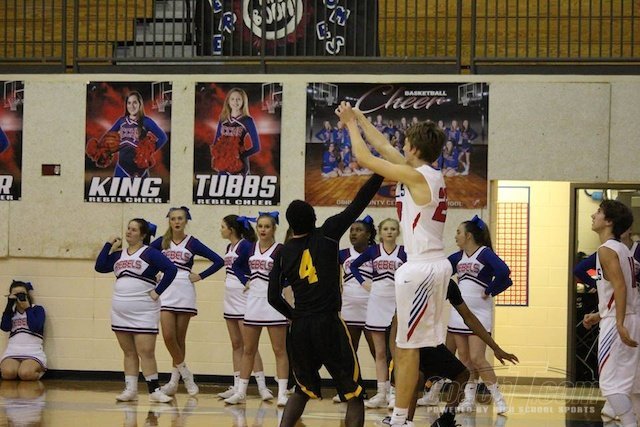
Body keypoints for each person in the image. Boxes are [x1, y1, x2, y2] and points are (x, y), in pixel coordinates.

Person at [336, 102, 452, 427]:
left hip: (423, 268)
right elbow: (384, 147)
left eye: (406, 143)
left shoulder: (417, 176)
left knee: (408, 347)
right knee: (403, 345)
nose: (401, 146)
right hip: (424, 266)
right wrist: (360, 118)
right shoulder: (422, 173)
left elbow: (365, 158)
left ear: (413, 148)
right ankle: (400, 416)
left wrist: (349, 125)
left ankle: (402, 419)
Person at [268, 173, 384, 427]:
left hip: (300, 328)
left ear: (291, 225)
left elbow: (272, 297)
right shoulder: (329, 233)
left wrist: (293, 315)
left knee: (302, 390)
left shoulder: (283, 252)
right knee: (354, 394)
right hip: (328, 323)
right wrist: (380, 172)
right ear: (314, 219)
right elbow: (358, 203)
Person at [381, 279, 519, 427]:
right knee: (415, 378)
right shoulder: (413, 280)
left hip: (430, 341)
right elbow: (396, 323)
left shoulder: (447, 284)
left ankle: (446, 419)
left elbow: (468, 317)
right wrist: (397, 359)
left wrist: (495, 347)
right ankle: (403, 421)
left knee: (462, 374)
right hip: (406, 342)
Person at [94, 218, 178, 403]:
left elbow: (171, 270)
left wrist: (158, 291)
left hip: (143, 311)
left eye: (133, 230)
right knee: (128, 352)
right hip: (120, 311)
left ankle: (154, 391)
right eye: (128, 229)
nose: (129, 232)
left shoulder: (150, 253)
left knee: (146, 351)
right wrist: (108, 244)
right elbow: (100, 266)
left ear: (143, 234)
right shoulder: (119, 255)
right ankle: (130, 389)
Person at [150, 206, 224, 397]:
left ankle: (173, 382)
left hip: (184, 290)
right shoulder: (162, 242)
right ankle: (186, 375)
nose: (176, 222)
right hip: (166, 290)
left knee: (179, 339)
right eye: (173, 218)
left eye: (180, 218)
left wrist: (200, 276)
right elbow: (145, 257)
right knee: (168, 336)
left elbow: (218, 261)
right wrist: (154, 273)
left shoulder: (192, 242)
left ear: (185, 221)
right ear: (169, 221)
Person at [443, 216, 512, 414]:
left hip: (479, 312)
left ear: (469, 235)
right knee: (464, 358)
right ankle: (469, 399)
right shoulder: (457, 257)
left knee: (477, 357)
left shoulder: (484, 253)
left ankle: (499, 399)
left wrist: (490, 289)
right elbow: (441, 271)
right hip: (460, 313)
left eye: (458, 232)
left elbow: (504, 271)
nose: (456, 236)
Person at [582, 200, 639, 427]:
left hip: (620, 322)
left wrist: (618, 322)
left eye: (598, 212)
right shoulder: (623, 249)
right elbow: (621, 291)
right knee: (627, 384)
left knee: (610, 384)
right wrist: (600, 314)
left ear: (609, 221)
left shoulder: (606, 249)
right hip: (630, 316)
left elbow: (620, 287)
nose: (593, 215)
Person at [224, 212, 290, 407]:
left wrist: (282, 290)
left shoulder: (281, 249)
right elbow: (236, 266)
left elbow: (290, 274)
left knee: (279, 350)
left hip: (274, 304)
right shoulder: (250, 247)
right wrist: (246, 280)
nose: (263, 230)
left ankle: (283, 393)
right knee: (249, 349)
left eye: (267, 226)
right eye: (260, 226)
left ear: (274, 229)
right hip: (253, 303)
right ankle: (241, 392)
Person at [350, 218, 406, 409]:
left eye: (393, 229)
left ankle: (394, 393)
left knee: (396, 352)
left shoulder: (404, 252)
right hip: (377, 302)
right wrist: (363, 282)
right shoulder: (373, 251)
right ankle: (381, 393)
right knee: (380, 352)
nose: (389, 232)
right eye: (386, 229)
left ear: (397, 232)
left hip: (396, 303)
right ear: (380, 232)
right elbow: (354, 266)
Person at [218, 214, 271, 401]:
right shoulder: (229, 247)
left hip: (243, 298)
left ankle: (263, 387)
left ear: (232, 229)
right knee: (236, 344)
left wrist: (245, 281)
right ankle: (237, 386)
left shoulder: (247, 245)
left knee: (250, 345)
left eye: (223, 226)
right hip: (230, 299)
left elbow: (246, 268)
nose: (221, 230)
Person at [85, 91, 168, 178]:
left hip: (141, 168)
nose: (132, 106)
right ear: (126, 105)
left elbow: (163, 137)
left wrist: (149, 151)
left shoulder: (146, 121)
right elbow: (108, 135)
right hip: (122, 167)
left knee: (142, 187)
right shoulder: (121, 121)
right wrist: (101, 147)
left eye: (135, 102)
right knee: (117, 187)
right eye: (129, 103)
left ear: (140, 104)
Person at [0, 281, 46, 381]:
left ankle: (36, 372)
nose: (19, 297)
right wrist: (9, 305)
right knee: (8, 373)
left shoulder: (37, 309)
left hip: (33, 351)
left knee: (26, 374)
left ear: (27, 295)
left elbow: (35, 327)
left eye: (22, 294)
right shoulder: (11, 312)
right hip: (13, 350)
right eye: (15, 295)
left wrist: (27, 309)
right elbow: (4, 327)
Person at [210, 88, 260, 175]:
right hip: (223, 166)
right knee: (221, 184)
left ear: (243, 101)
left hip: (239, 166)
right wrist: (217, 157)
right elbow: (216, 142)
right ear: (228, 101)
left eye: (238, 99)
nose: (235, 102)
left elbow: (256, 147)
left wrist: (240, 156)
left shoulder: (247, 120)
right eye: (232, 99)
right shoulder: (223, 119)